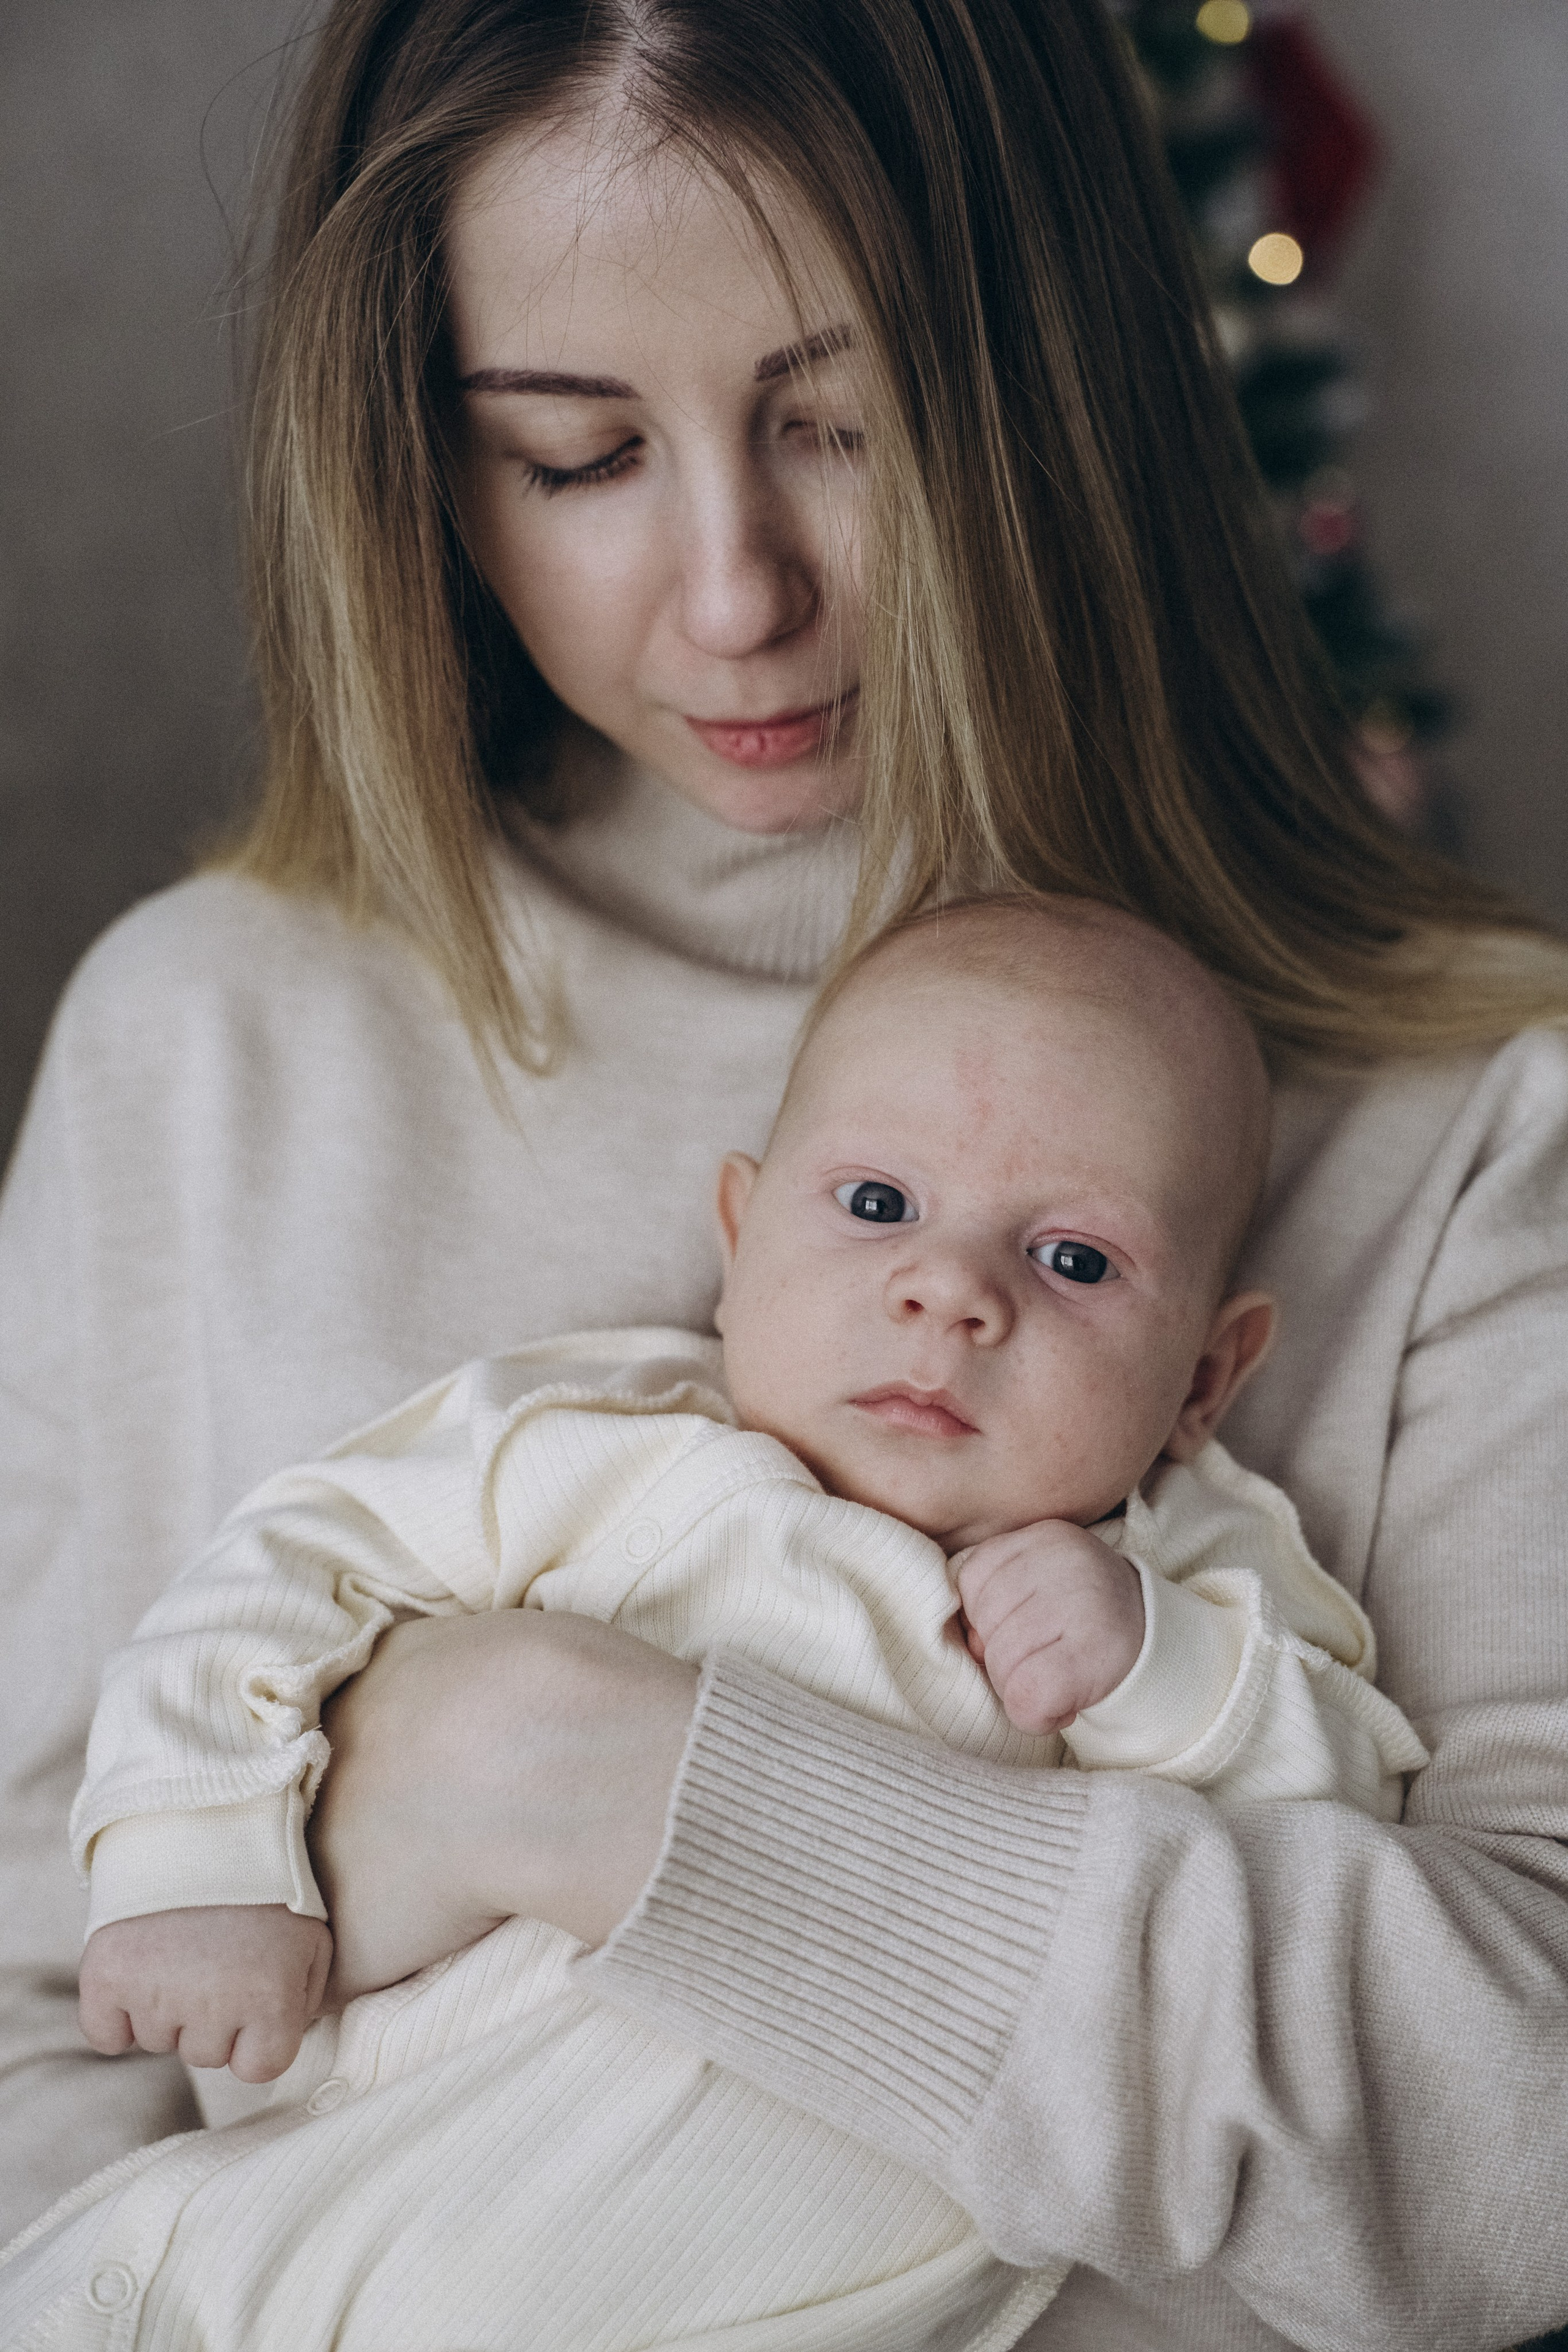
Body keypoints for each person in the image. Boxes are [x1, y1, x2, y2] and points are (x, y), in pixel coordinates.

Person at [1, 2, 1566, 2346]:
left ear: (1055, 392)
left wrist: (586, 1787)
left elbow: (1525, 2140)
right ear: (421, 462)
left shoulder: (1462, 1105)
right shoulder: (215, 1045)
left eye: (841, 423)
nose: (735, 594)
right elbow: (41, 2027)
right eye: (580, 451)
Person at [8, 900, 1426, 2352]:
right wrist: (197, 1856)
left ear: (1206, 1370)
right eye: (876, 1206)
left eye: (1072, 1261)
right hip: (297, 2253)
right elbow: (284, 1564)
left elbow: (1342, 1860)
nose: (950, 1291)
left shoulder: (1198, 1583)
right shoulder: (611, 1447)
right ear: (739, 1238)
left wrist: (1155, 1667)